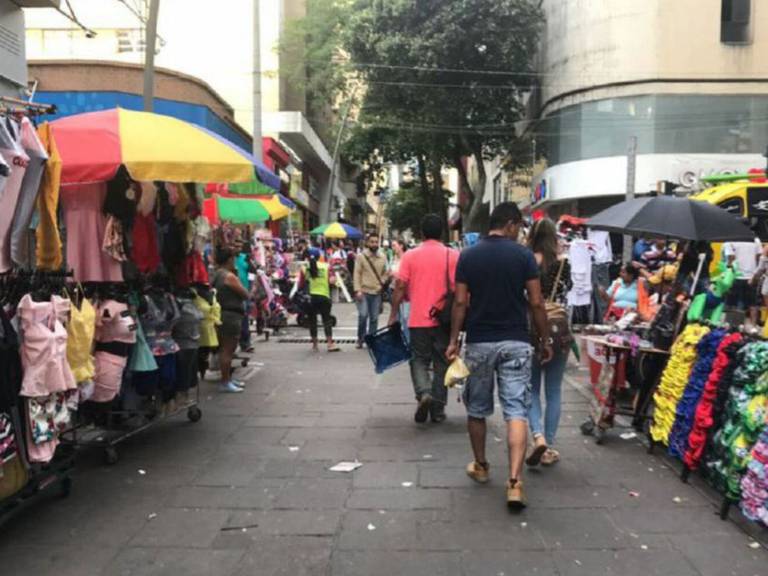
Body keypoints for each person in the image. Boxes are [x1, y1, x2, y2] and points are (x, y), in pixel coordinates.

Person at [446, 202, 552, 509]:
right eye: (518, 227)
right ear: (510, 224)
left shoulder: (469, 256)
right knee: (516, 410)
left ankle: (481, 466)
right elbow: (536, 302)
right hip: (516, 341)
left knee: (477, 409)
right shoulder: (523, 256)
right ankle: (515, 483)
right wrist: (544, 338)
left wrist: (453, 340)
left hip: (479, 342)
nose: (519, 232)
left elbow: (460, 303)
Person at [389, 216, 458, 423]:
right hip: (444, 320)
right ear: (442, 233)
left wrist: (393, 314)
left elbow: (400, 286)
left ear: (421, 233)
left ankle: (424, 392)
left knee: (418, 359)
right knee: (441, 363)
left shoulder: (410, 256)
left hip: (418, 319)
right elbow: (460, 292)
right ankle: (438, 410)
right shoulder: (453, 256)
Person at [525, 218, 572, 467]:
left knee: (532, 389)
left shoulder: (527, 260)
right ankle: (549, 446)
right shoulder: (563, 264)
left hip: (533, 329)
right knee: (554, 390)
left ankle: (538, 436)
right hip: (559, 331)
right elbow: (567, 292)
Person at [212, 247, 250, 393]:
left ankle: (227, 378)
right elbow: (245, 294)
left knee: (225, 349)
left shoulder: (216, 274)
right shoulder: (228, 276)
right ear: (229, 259)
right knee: (228, 350)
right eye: (233, 258)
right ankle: (225, 381)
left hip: (222, 314)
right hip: (230, 316)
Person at [353, 233, 389, 348]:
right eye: (372, 242)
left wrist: (382, 282)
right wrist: (357, 290)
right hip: (363, 291)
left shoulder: (383, 257)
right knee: (363, 316)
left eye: (376, 242)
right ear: (367, 243)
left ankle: (371, 340)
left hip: (376, 292)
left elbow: (386, 273)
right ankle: (360, 338)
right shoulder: (361, 256)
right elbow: (357, 274)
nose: (374, 244)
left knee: (374, 318)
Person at [302, 253, 341, 353]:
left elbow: (301, 283)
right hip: (324, 296)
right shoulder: (327, 266)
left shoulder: (305, 268)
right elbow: (332, 281)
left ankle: (315, 345)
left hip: (311, 298)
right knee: (326, 320)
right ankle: (329, 344)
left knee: (312, 321)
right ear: (319, 257)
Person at [723, 238, 762, 325]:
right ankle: (753, 326)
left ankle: (733, 325)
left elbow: (730, 258)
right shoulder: (756, 240)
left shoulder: (730, 239)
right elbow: (759, 258)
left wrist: (728, 271)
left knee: (733, 303)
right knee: (753, 304)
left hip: (735, 276)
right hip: (751, 276)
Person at [389, 238, 411, 342]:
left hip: (404, 292)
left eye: (394, 245)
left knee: (405, 317)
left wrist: (396, 275)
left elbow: (407, 276)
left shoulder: (407, 258)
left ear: (401, 246)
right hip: (393, 288)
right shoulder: (393, 258)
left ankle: (407, 340)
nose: (393, 248)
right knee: (398, 317)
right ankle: (398, 339)